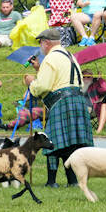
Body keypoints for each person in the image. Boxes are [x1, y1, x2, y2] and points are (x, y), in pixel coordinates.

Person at [27, 28, 92, 187]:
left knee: (53, 142)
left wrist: (31, 84)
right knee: (71, 144)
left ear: (46, 42)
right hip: (77, 100)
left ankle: (51, 182)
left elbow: (43, 86)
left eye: (41, 43)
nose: (41, 46)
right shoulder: (70, 56)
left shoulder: (50, 59)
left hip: (61, 102)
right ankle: (72, 181)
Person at [80, 69, 106, 134]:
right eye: (84, 77)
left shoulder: (95, 84)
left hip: (94, 108)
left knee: (101, 106)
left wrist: (100, 79)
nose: (86, 78)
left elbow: (105, 89)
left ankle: (99, 130)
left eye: (88, 77)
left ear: (92, 77)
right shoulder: (78, 86)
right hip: (81, 108)